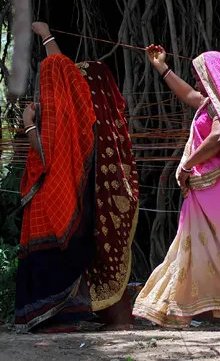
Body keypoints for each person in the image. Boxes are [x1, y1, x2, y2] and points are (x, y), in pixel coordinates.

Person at [132, 46, 220, 328]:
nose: (196, 81)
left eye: (199, 76)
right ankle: (214, 309)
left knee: (206, 248)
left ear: (213, 76)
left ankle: (199, 308)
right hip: (216, 192)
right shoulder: (219, 103)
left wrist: (186, 165)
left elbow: (218, 138)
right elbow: (189, 96)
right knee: (210, 250)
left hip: (217, 192)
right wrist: (161, 67)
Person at [15, 22, 139, 331]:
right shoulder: (93, 128)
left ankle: (54, 318)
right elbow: (67, 75)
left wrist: (28, 124)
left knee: (52, 256)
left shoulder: (62, 122)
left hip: (51, 205)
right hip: (75, 205)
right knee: (70, 256)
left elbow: (43, 156)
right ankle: (73, 315)